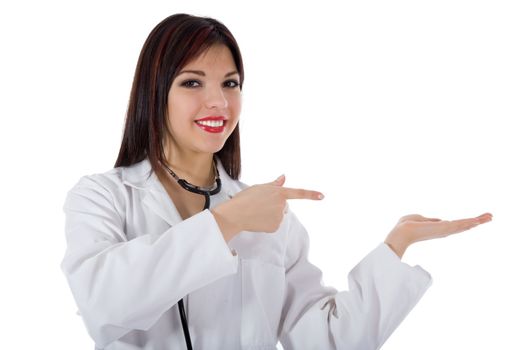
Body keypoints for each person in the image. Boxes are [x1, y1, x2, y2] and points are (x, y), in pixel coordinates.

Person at [60, 13, 493, 350]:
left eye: (231, 83)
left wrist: (396, 245)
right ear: (155, 94)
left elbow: (325, 340)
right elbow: (104, 303)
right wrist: (226, 223)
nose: (218, 102)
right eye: (192, 82)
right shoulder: (102, 197)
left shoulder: (270, 216)